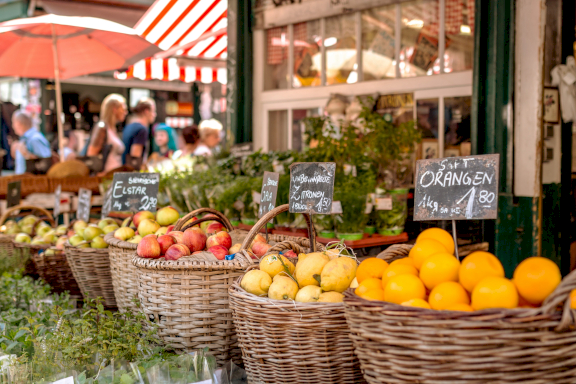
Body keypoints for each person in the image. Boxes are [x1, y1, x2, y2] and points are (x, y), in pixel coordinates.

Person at [86, 94, 127, 172]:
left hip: (114, 176)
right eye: (123, 109)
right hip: (106, 178)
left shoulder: (113, 129)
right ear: (115, 109)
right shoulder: (102, 127)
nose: (125, 112)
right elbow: (91, 154)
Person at [11, 110, 52, 175]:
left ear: (18, 123)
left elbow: (46, 164)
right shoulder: (25, 139)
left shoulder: (35, 139)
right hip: (22, 181)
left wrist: (28, 155)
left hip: (32, 183)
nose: (12, 126)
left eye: (13, 123)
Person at [122, 98, 156, 165]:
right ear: (146, 111)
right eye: (153, 111)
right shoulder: (141, 130)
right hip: (131, 173)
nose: (154, 114)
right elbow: (135, 159)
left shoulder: (129, 126)